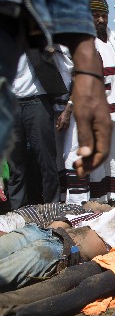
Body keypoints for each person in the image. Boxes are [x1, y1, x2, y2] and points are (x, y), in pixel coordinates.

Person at [0, 0, 112, 178]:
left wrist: (68, 107)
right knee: (16, 163)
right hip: (12, 106)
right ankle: (18, 205)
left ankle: (53, 203)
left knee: (49, 159)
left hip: (41, 102)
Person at [63, 0, 115, 205]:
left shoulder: (114, 43)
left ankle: (111, 200)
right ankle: (84, 205)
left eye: (104, 15)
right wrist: (68, 109)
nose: (101, 20)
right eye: (95, 16)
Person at [7, 52, 62, 209]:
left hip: (37, 101)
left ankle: (52, 207)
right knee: (15, 162)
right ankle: (18, 211)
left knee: (46, 159)